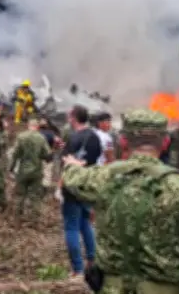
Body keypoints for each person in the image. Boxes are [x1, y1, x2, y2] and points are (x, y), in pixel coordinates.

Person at [61, 109, 179, 294]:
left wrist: (72, 166)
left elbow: (74, 178)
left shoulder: (103, 178)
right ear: (165, 142)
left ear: (124, 141)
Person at [58, 105, 101, 278]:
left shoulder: (74, 138)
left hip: (72, 187)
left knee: (71, 227)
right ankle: (93, 260)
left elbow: (66, 164)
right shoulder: (94, 137)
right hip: (88, 185)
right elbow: (93, 159)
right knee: (85, 223)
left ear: (73, 118)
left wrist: (60, 186)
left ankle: (77, 269)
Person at [10, 119, 53, 221]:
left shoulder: (21, 137)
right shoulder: (41, 138)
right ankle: (34, 220)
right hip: (36, 171)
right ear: (37, 127)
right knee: (35, 196)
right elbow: (47, 155)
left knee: (20, 195)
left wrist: (11, 168)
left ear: (28, 125)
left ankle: (17, 217)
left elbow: (15, 154)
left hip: (23, 170)